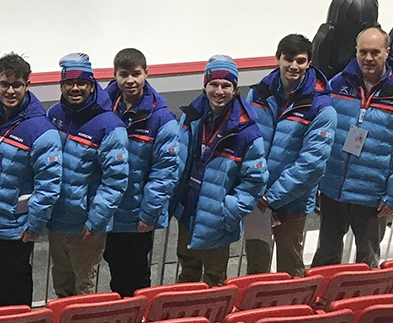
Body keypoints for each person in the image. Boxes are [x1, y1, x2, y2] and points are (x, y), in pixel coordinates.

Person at [313, 28, 393, 268]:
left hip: (372, 196)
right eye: (363, 52)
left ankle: (361, 304)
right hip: (334, 190)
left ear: (387, 52)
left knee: (367, 261)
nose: (368, 58)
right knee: (326, 255)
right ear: (356, 51)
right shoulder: (338, 83)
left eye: (375, 52)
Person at [0, 53, 62, 306]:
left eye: (17, 85)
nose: (10, 90)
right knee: (0, 279)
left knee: (16, 285)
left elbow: (49, 184)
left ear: (27, 85)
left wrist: (35, 224)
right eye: (4, 84)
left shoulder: (41, 129)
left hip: (16, 227)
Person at [242, 36, 337, 277]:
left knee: (290, 268)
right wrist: (254, 187)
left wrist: (272, 197)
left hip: (291, 202)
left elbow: (312, 164)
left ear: (309, 63)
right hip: (258, 199)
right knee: (256, 268)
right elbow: (245, 143)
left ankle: (292, 313)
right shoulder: (258, 94)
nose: (294, 66)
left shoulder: (321, 107)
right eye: (288, 59)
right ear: (278, 58)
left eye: (301, 60)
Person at [172, 56, 268, 286]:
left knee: (214, 279)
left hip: (218, 218)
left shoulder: (246, 131)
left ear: (235, 89)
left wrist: (229, 210)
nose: (219, 91)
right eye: (214, 84)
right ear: (205, 85)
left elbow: (255, 181)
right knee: (187, 272)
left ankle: (209, 321)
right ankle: (184, 320)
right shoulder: (192, 116)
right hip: (189, 210)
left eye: (226, 85)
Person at [45, 53, 129, 297]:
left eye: (81, 83)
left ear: (92, 85)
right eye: (69, 83)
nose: (75, 88)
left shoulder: (110, 127)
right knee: (61, 286)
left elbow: (115, 181)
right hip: (57, 220)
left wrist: (96, 220)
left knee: (84, 290)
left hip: (85, 226)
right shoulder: (54, 115)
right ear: (61, 86)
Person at [104, 49, 182, 297]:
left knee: (136, 278)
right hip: (109, 211)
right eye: (124, 74)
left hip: (137, 215)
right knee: (115, 271)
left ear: (146, 74)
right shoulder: (103, 107)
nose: (130, 81)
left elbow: (164, 171)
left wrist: (149, 214)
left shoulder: (162, 119)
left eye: (136, 74)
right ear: (114, 75)